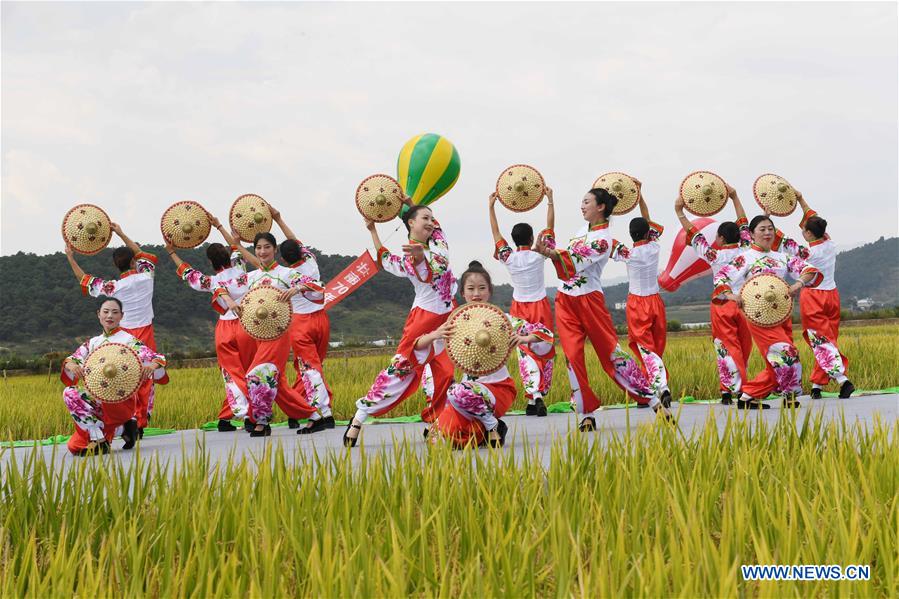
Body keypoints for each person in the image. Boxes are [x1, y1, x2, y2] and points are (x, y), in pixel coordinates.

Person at [534, 187, 671, 432]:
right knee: (572, 358)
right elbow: (561, 252)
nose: (582, 205)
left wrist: (551, 253)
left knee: (612, 355)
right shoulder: (580, 231)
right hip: (565, 300)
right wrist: (550, 208)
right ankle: (586, 414)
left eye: (586, 201)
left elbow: (574, 263)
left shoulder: (603, 240)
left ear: (601, 207)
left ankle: (652, 399)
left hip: (589, 301)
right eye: (582, 201)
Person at [343, 199, 458, 447]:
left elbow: (431, 231)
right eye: (423, 218)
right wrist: (373, 230)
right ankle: (360, 415)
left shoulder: (439, 242)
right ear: (410, 224)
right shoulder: (410, 256)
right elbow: (384, 257)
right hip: (424, 321)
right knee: (400, 374)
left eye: (431, 218)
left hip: (449, 318)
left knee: (446, 374)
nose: (429, 222)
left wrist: (408, 203)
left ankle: (437, 424)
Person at [415, 261, 554, 448]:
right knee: (437, 436)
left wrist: (524, 338)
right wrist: (435, 334)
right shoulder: (453, 325)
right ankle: (489, 429)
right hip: (468, 395)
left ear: (489, 291)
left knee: (456, 391)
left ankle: (491, 425)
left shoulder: (503, 320)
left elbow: (546, 334)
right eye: (471, 289)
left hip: (498, 389)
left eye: (482, 288)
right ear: (462, 293)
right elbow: (416, 346)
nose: (477, 294)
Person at [714, 215, 823, 409]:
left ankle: (749, 397)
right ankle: (772, 393)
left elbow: (809, 270)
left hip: (782, 314)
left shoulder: (782, 258)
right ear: (752, 234)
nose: (767, 233)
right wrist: (731, 295)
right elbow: (722, 277)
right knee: (786, 353)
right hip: (760, 317)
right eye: (762, 229)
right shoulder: (745, 258)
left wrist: (798, 283)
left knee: (776, 360)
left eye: (770, 229)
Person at [164, 216, 259, 432]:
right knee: (247, 371)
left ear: (210, 263)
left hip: (226, 328)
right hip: (247, 326)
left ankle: (243, 416)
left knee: (231, 374)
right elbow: (236, 247)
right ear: (228, 255)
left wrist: (171, 251)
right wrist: (219, 227)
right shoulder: (241, 268)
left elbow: (187, 272)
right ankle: (234, 418)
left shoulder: (211, 281)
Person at [65, 223, 158, 434]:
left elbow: (84, 279)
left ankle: (128, 419)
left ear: (116, 266)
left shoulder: (113, 287)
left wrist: (70, 257)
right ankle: (140, 422)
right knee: (145, 378)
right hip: (144, 334)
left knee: (121, 377)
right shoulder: (147, 276)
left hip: (121, 337)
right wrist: (121, 232)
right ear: (134, 261)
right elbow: (146, 255)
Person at [673, 185, 753, 405]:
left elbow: (694, 234)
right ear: (740, 236)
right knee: (744, 346)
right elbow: (743, 221)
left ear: (719, 238)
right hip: (745, 303)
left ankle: (731, 390)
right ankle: (739, 387)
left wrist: (680, 211)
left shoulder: (713, 254)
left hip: (721, 303)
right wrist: (735, 196)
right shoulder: (747, 249)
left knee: (726, 347)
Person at [771, 191, 854, 399]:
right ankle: (817, 385)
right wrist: (800, 200)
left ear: (808, 233)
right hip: (832, 295)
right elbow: (812, 218)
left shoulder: (807, 252)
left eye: (805, 230)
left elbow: (779, 239)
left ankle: (843, 380)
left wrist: (768, 218)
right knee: (828, 340)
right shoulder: (830, 243)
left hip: (814, 296)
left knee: (819, 341)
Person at [61, 298, 167, 455]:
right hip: (99, 398)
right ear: (99, 314)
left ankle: (101, 439)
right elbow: (72, 359)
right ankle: (123, 429)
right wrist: (71, 365)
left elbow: (158, 358)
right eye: (106, 312)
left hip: (121, 400)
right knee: (74, 445)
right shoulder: (93, 343)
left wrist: (152, 365)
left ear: (121, 316)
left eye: (115, 312)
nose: (109, 316)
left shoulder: (129, 341)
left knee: (72, 400)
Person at [243, 231, 324, 436]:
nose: (262, 251)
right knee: (276, 382)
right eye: (259, 248)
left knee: (256, 374)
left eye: (267, 247)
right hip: (259, 335)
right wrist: (230, 301)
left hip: (279, 334)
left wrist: (298, 288)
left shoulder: (286, 273)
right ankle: (314, 416)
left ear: (275, 249)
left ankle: (261, 421)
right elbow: (220, 287)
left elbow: (318, 286)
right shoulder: (251, 278)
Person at [488, 187, 556, 416]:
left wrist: (491, 207)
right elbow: (550, 228)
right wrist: (549, 201)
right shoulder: (539, 254)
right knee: (543, 348)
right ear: (530, 237)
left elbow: (496, 234)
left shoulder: (508, 257)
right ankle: (538, 394)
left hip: (518, 307)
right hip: (540, 305)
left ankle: (531, 397)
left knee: (524, 350)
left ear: (514, 240)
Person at [268, 204, 335, 434]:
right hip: (322, 321)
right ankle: (303, 409)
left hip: (301, 325)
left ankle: (322, 414)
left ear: (283, 259)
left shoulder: (285, 276)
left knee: (309, 370)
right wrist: (278, 218)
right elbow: (293, 239)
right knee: (312, 368)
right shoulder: (311, 260)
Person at [609, 190, 670, 406]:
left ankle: (660, 386)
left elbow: (603, 237)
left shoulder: (628, 253)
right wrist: (640, 195)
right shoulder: (654, 247)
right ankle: (650, 391)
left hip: (636, 303)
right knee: (656, 346)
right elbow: (647, 219)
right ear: (647, 233)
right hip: (655, 300)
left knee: (645, 349)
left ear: (631, 234)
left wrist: (607, 209)